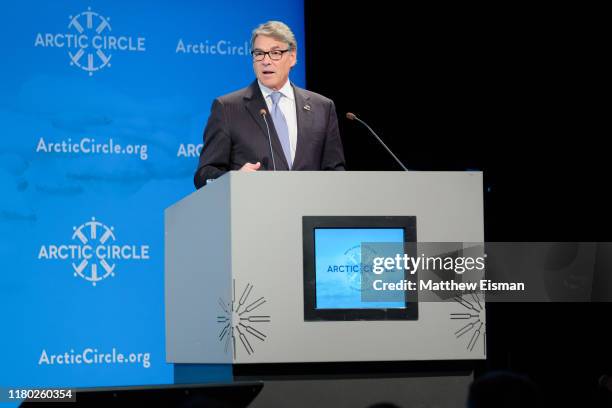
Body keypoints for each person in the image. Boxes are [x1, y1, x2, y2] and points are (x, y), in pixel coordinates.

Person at [193, 21, 345, 189]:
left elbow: (336, 171)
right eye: (259, 53)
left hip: (310, 211)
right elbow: (204, 175)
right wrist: (234, 179)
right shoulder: (227, 108)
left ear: (292, 57)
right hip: (253, 210)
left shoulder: (322, 107)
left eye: (275, 53)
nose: (266, 61)